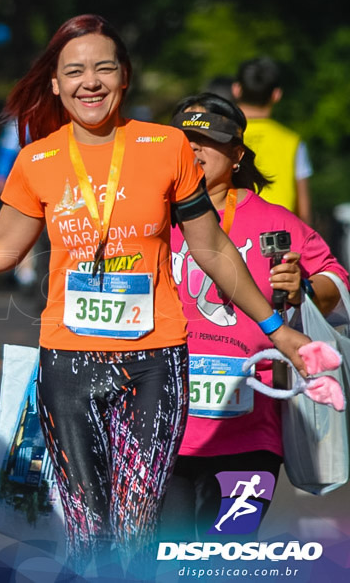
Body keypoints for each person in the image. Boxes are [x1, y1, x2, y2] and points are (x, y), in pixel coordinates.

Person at [0, 14, 312, 574]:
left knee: (133, 530)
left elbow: (215, 250)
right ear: (55, 84)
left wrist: (280, 331)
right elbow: (0, 250)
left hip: (153, 362)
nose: (91, 82)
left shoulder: (167, 147)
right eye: (74, 71)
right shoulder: (38, 161)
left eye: (104, 67)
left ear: (124, 77)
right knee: (84, 533)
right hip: (69, 362)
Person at [161, 92, 347, 541]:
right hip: (164, 427)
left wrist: (303, 288)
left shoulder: (274, 222)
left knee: (228, 553)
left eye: (209, 140)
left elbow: (339, 287)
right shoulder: (151, 218)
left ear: (238, 154)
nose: (196, 150)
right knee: (165, 557)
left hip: (252, 431)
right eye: (186, 140)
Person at [232, 57, 312, 223]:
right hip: (281, 234)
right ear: (276, 95)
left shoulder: (223, 137)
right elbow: (303, 209)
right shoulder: (293, 141)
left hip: (234, 232)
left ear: (236, 89)